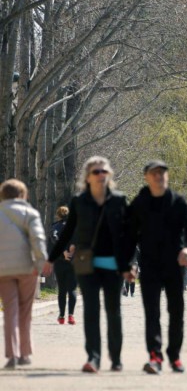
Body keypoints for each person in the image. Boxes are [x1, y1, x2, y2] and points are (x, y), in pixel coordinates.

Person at [47, 156, 134, 373]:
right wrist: (51, 258)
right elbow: (68, 232)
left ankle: (115, 358)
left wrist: (130, 263)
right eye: (96, 172)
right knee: (91, 311)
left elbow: (129, 234)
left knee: (113, 311)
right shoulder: (79, 201)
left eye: (104, 171)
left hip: (113, 264)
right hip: (87, 264)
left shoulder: (118, 200)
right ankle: (93, 357)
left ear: (109, 174)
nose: (101, 175)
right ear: (88, 177)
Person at [126, 159, 187, 374]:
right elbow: (128, 237)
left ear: (167, 176)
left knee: (176, 311)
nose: (159, 176)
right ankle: (155, 356)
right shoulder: (139, 204)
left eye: (162, 173)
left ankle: (174, 356)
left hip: (175, 265)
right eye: (154, 173)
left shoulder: (178, 202)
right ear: (147, 177)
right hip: (150, 265)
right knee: (152, 313)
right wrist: (129, 263)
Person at [0, 179, 50, 369]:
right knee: (25, 312)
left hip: (3, 270)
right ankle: (25, 353)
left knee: (10, 311)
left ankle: (11, 355)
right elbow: (38, 239)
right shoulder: (30, 213)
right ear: (23, 194)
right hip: (27, 268)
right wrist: (40, 262)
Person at [49, 206, 78, 324]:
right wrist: (71, 250)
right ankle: (71, 315)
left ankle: (61, 316)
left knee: (62, 290)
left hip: (60, 261)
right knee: (72, 289)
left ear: (58, 215)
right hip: (74, 261)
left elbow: (54, 237)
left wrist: (63, 251)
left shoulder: (55, 226)